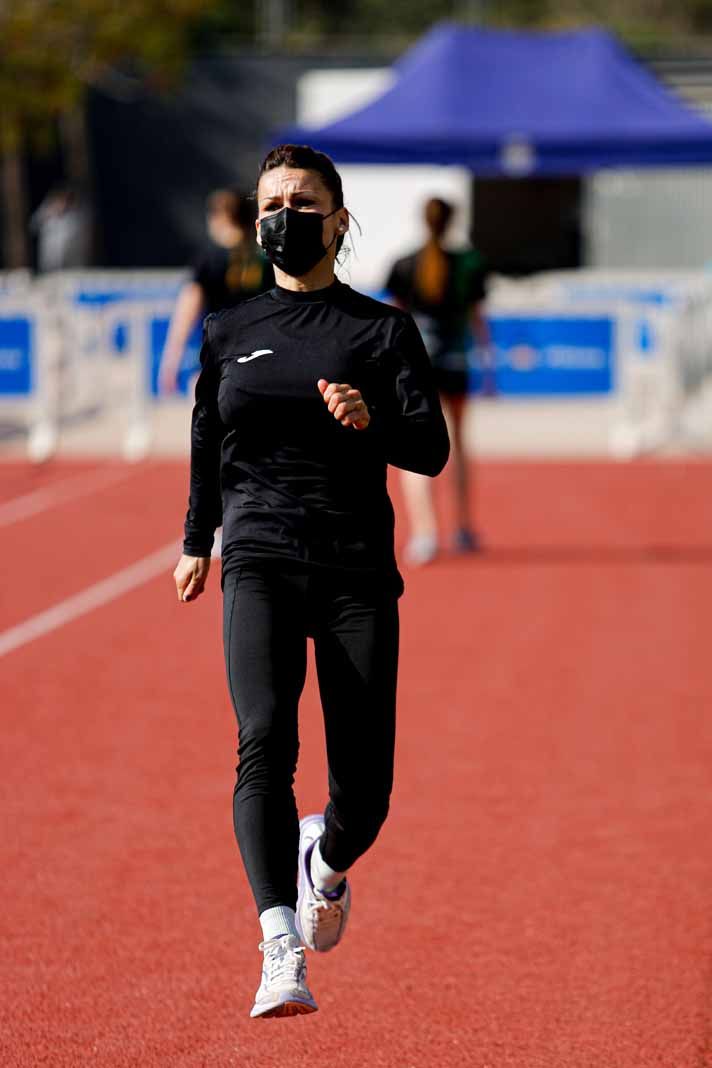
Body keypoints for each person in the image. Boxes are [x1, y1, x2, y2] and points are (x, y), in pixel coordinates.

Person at [172, 144, 449, 1019]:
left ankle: (325, 863)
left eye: (301, 200)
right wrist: (195, 540)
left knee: (366, 791)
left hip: (354, 568)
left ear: (337, 218)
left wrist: (369, 423)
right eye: (271, 201)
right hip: (257, 556)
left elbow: (430, 449)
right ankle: (278, 944)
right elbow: (205, 444)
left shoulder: (381, 330)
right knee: (263, 741)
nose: (282, 214)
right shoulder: (230, 330)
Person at [385, 197, 491, 565]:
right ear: (452, 222)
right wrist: (488, 365)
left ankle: (425, 534)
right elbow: (478, 318)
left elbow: (393, 319)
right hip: (457, 362)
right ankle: (462, 527)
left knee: (413, 446)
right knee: (460, 444)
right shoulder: (469, 263)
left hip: (418, 366)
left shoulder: (404, 264)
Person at [159, 189, 273, 392]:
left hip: (217, 359)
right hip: (260, 358)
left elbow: (188, 311)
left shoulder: (209, 259)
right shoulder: (266, 260)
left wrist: (171, 361)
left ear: (220, 217)